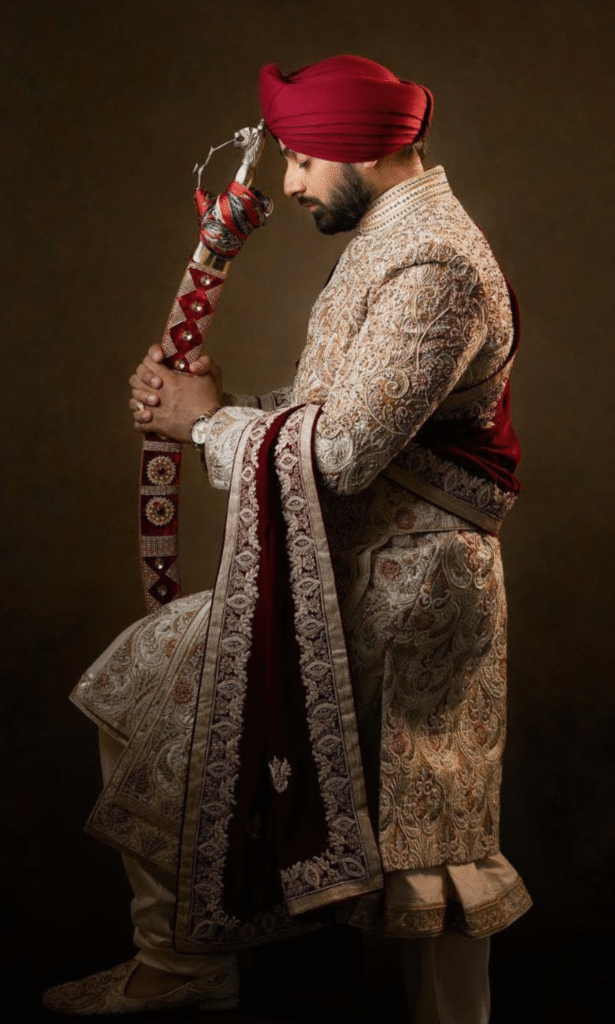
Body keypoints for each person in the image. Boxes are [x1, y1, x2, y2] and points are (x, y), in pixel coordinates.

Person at [43, 55, 531, 1022]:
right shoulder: (390, 238)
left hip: (412, 593)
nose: (294, 182)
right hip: (356, 572)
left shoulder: (432, 259)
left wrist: (203, 425)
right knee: (144, 691)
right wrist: (214, 406)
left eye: (305, 159)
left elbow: (344, 451)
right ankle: (182, 965)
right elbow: (337, 416)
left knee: (430, 838)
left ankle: (192, 971)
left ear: (369, 150)